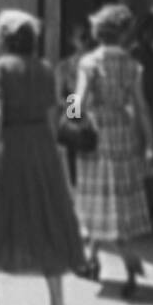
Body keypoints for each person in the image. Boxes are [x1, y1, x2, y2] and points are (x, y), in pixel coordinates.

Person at [0, 10, 84, 305]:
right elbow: (53, 115)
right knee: (47, 222)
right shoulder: (46, 69)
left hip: (12, 146)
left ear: (4, 38)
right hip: (42, 148)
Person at [74, 3, 153, 296]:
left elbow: (80, 99)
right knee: (116, 199)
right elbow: (142, 107)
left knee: (99, 197)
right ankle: (91, 257)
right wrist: (150, 144)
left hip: (97, 133)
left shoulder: (89, 62)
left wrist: (70, 118)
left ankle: (127, 258)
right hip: (123, 133)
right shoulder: (132, 64)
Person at [54, 23, 93, 185]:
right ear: (73, 41)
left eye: (88, 38)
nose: (86, 42)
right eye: (82, 38)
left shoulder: (96, 64)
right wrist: (77, 109)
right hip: (74, 116)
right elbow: (59, 97)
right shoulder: (64, 67)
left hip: (93, 117)